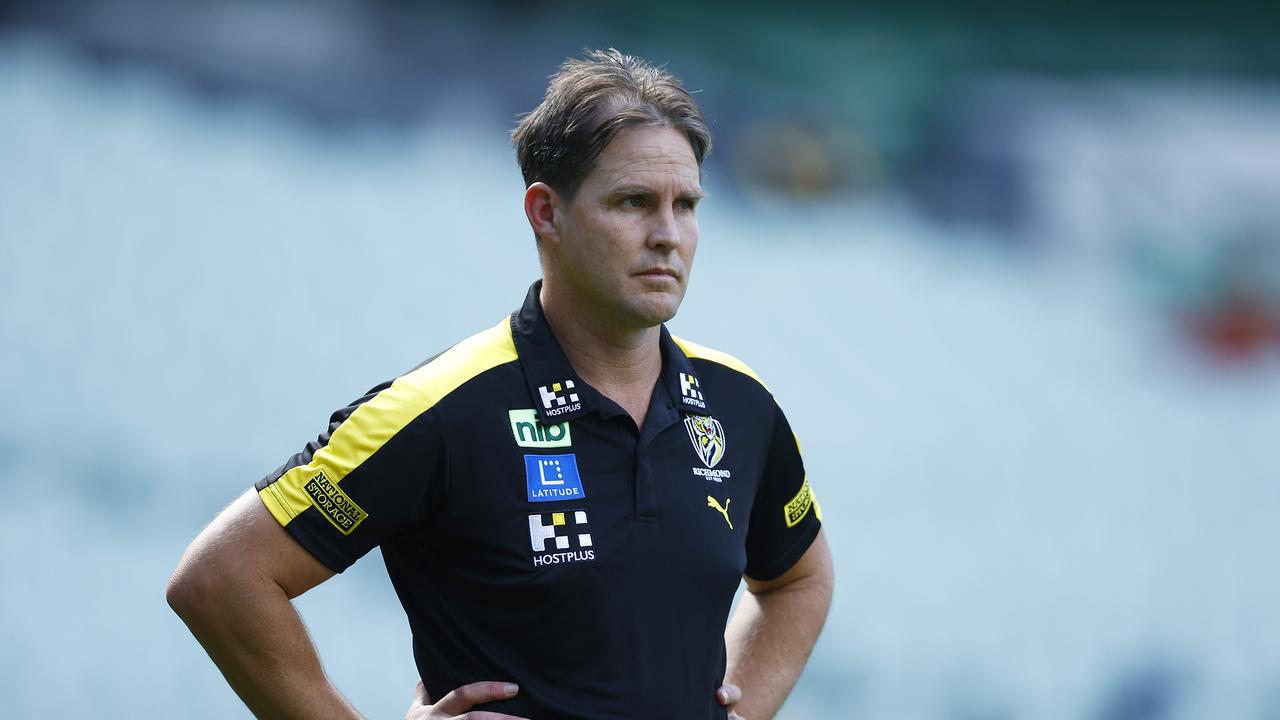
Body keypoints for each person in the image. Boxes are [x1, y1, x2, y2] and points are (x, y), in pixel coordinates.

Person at [167, 48, 833, 720]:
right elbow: (223, 578)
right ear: (546, 213)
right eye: (634, 202)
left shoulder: (738, 404)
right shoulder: (441, 410)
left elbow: (799, 577)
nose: (668, 235)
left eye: (685, 205)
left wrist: (743, 712)